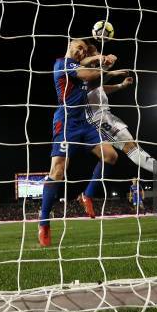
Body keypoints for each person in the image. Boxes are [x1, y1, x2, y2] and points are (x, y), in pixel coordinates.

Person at [39, 39, 120, 247]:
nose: (82, 51)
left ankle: (88, 195)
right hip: (66, 122)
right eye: (79, 47)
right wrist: (101, 61)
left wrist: (116, 77)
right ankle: (44, 223)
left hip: (86, 123)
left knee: (111, 156)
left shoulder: (84, 70)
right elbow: (90, 74)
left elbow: (99, 86)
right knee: (58, 171)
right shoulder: (62, 63)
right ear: (69, 46)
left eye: (84, 50)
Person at [86, 68, 157, 177]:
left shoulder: (92, 70)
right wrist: (111, 73)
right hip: (97, 118)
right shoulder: (79, 71)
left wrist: (121, 85)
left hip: (106, 114)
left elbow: (100, 88)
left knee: (133, 145)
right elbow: (91, 87)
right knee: (129, 147)